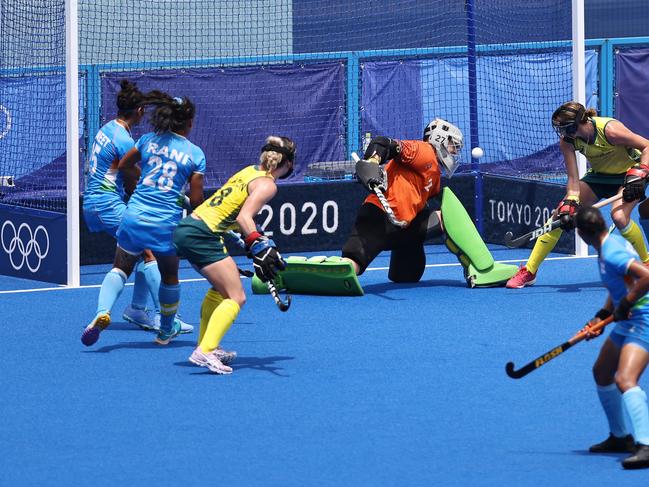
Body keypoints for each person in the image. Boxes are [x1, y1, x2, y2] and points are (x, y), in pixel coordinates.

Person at [81, 92, 205, 347]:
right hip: (160, 221)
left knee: (121, 265)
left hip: (132, 214)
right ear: (189, 122)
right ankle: (167, 324)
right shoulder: (195, 154)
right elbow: (196, 203)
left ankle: (107, 311)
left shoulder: (145, 139)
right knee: (164, 270)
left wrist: (149, 181)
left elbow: (125, 166)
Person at [339, 119, 517, 288]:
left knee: (408, 275)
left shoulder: (435, 178)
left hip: (403, 227)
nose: (454, 152)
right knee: (354, 262)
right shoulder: (423, 151)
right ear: (439, 138)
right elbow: (383, 143)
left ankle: (478, 270)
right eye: (453, 146)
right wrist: (372, 161)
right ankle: (485, 267)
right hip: (380, 215)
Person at [173, 135, 292, 374]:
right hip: (203, 234)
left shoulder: (248, 171)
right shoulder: (268, 185)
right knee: (237, 296)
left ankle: (208, 345)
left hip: (189, 228)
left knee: (220, 289)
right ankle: (204, 351)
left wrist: (255, 242)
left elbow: (231, 216)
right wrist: (258, 244)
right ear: (287, 163)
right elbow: (244, 218)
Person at [507, 101, 649, 289]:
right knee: (559, 213)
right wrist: (570, 202)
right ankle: (529, 271)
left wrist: (640, 174)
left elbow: (646, 146)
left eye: (564, 128)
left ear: (577, 124)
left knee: (619, 216)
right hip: (599, 177)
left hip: (629, 176)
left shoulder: (610, 130)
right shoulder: (568, 141)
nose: (562, 133)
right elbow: (573, 181)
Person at [576, 206, 649, 469]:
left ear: (583, 234)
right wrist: (601, 316)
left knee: (625, 379)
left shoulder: (612, 251)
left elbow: (646, 277)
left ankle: (646, 444)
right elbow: (621, 285)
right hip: (628, 317)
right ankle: (620, 437)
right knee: (602, 373)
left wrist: (627, 303)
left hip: (643, 319)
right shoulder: (609, 243)